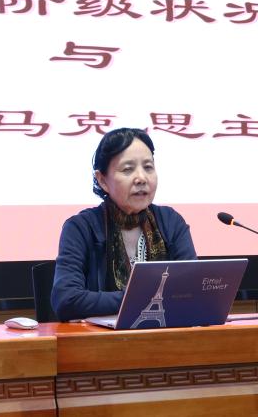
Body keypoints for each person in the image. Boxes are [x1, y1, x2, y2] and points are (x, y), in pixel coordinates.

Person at [51, 127, 196, 321]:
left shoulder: (170, 222)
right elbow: (66, 299)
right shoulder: (81, 228)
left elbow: (193, 288)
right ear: (102, 180)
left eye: (148, 167)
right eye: (128, 169)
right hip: (101, 338)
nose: (141, 178)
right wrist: (136, 298)